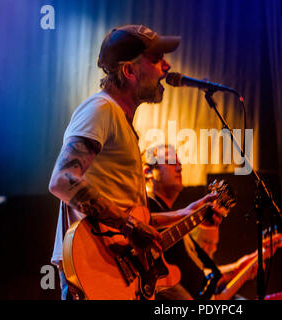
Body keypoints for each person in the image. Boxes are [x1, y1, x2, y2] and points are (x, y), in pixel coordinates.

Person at [48, 25, 222, 300]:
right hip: (95, 272)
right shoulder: (100, 109)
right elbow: (62, 181)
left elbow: (130, 216)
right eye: (155, 59)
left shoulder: (122, 123)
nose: (166, 67)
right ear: (129, 71)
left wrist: (187, 213)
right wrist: (130, 225)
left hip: (119, 274)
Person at [143, 144, 258, 300]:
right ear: (148, 172)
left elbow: (198, 275)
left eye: (180, 164)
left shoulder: (172, 220)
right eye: (171, 162)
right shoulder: (145, 207)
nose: (179, 168)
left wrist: (238, 267)